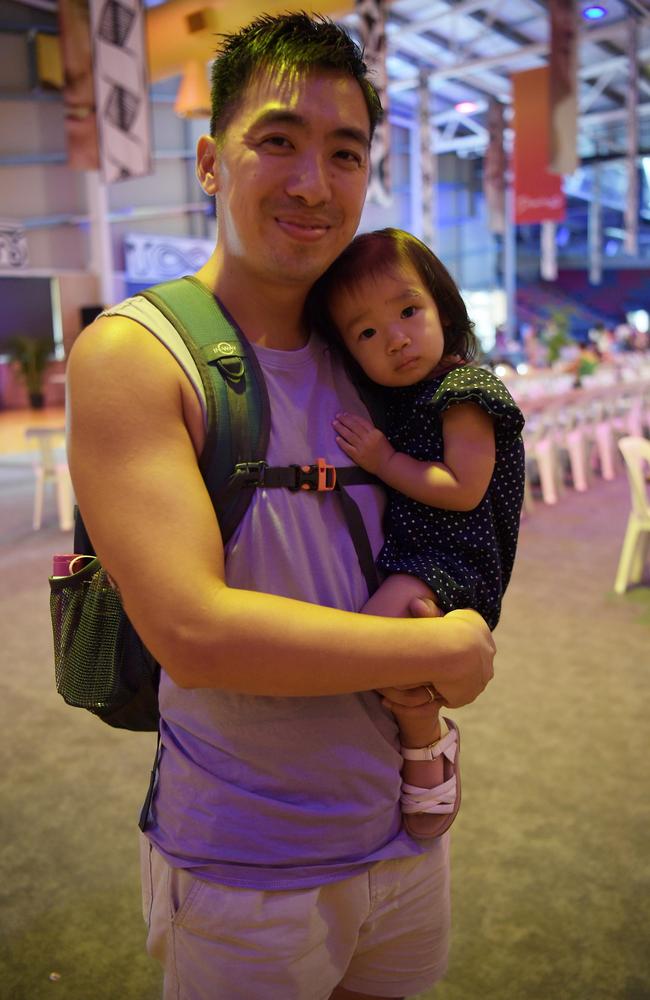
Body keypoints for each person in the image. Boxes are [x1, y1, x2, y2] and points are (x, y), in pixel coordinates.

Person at [66, 14, 495, 1000]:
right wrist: (441, 652)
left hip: (399, 836)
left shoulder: (373, 360)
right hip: (244, 870)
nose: (312, 183)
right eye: (277, 141)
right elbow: (193, 632)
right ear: (212, 161)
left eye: (343, 154)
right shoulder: (138, 354)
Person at [307, 228, 525, 838]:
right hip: (419, 553)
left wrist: (382, 463)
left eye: (408, 311)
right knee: (396, 671)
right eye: (368, 333)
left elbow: (464, 487)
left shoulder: (465, 391)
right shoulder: (407, 398)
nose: (396, 338)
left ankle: (373, 736)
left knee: (361, 639)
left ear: (443, 308)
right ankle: (424, 742)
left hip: (456, 559)